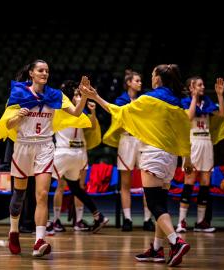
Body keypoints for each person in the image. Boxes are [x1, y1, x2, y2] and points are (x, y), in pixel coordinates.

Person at [81, 64, 191, 267]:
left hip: (153, 154)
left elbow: (119, 112)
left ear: (157, 78)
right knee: (161, 203)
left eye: (151, 75)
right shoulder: (177, 102)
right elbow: (185, 132)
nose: (150, 78)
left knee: (153, 203)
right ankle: (157, 249)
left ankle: (176, 242)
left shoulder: (148, 99)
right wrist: (188, 159)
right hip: (171, 158)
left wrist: (95, 97)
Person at [0, 60, 91, 257]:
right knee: (19, 196)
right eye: (40, 70)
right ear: (31, 73)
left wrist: (84, 97)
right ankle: (14, 231)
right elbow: (9, 125)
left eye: (47, 70)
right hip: (23, 146)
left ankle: (39, 240)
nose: (45, 73)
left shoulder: (55, 95)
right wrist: (18, 117)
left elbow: (76, 112)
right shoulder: (19, 93)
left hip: (45, 146)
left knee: (42, 194)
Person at [50, 80, 108, 233]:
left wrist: (93, 112)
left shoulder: (70, 110)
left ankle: (51, 221)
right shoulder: (72, 110)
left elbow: (92, 126)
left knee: (42, 184)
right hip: (77, 155)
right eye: (76, 94)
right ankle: (97, 215)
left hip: (64, 153)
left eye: (79, 94)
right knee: (75, 188)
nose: (78, 96)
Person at [176, 76, 224, 233]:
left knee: (205, 182)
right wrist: (193, 98)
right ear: (191, 87)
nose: (203, 87)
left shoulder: (207, 101)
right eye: (199, 84)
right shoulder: (185, 101)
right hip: (192, 143)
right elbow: (189, 117)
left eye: (203, 84)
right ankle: (181, 222)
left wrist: (220, 95)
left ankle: (200, 222)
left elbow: (222, 114)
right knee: (190, 180)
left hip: (206, 142)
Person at [103, 70, 154, 232]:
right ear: (129, 83)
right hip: (126, 140)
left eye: (140, 81)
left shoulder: (145, 101)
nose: (140, 83)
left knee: (148, 183)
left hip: (142, 140)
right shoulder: (120, 101)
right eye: (137, 80)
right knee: (126, 183)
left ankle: (147, 219)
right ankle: (128, 219)